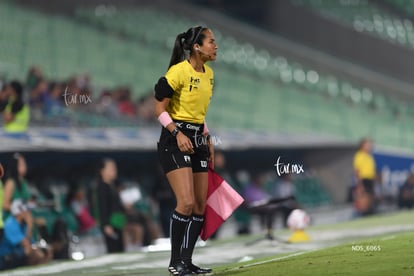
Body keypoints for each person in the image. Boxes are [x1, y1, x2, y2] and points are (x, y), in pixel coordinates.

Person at [154, 25, 217, 275]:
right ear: (196, 47)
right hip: (174, 140)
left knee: (200, 204)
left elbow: (197, 116)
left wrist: (207, 136)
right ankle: (174, 262)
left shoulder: (209, 74)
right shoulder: (177, 72)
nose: (216, 46)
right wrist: (177, 133)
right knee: (187, 202)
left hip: (198, 139)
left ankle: (187, 262)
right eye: (211, 41)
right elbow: (159, 110)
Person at [0, 200, 53, 270]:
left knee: (43, 251)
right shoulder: (10, 224)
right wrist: (30, 225)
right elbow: (27, 245)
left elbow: (32, 244)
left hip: (17, 254)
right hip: (6, 257)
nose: (29, 213)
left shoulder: (23, 225)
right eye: (27, 211)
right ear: (19, 213)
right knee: (33, 252)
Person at [92, 158, 126, 253]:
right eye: (111, 168)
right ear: (102, 171)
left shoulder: (113, 186)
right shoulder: (102, 187)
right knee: (114, 249)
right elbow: (102, 207)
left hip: (117, 222)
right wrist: (106, 224)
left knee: (120, 248)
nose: (114, 171)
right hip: (110, 223)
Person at [353, 138, 377, 215]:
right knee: (364, 200)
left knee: (371, 198)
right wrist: (359, 184)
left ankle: (370, 213)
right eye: (367, 144)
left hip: (370, 179)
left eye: (370, 144)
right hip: (363, 179)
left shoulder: (370, 156)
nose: (369, 146)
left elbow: (372, 170)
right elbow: (357, 170)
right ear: (362, 145)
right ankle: (363, 215)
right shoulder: (359, 155)